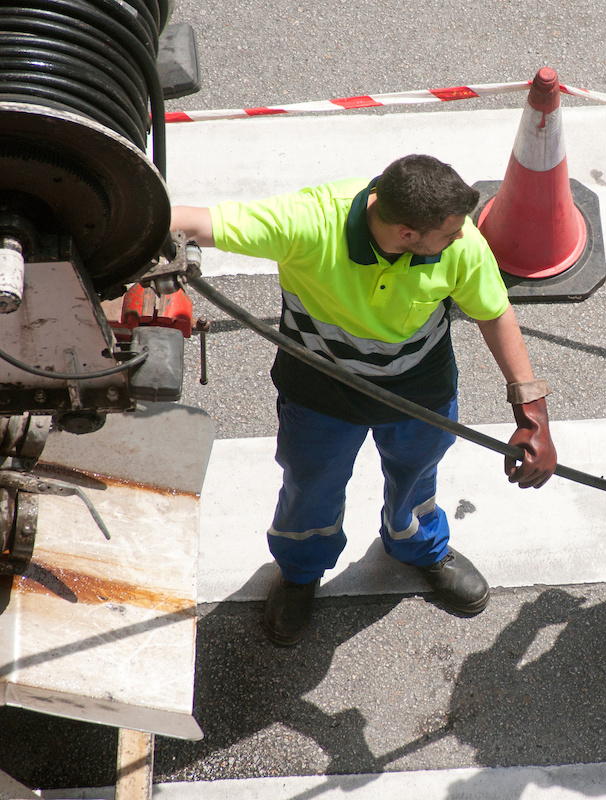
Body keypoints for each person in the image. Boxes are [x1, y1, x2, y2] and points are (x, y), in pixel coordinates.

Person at [171, 154, 557, 646]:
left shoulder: (461, 245)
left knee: (418, 475)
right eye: (450, 233)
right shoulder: (309, 223)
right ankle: (301, 572)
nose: (463, 238)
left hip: (420, 391)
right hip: (320, 393)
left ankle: (416, 544)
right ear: (407, 234)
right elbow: (194, 221)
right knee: (311, 485)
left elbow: (494, 313)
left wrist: (532, 415)